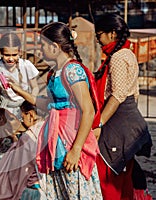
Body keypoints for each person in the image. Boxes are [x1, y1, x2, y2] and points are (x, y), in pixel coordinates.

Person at [9, 22, 102, 199]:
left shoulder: (72, 71)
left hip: (72, 142)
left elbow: (88, 111)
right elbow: (48, 104)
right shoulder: (56, 72)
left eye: (42, 45)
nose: (41, 50)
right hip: (57, 143)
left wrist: (76, 150)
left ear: (54, 46)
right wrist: (19, 91)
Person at [93, 13, 152, 200]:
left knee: (109, 178)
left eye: (99, 35)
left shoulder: (117, 57)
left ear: (112, 34)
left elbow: (118, 94)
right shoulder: (127, 53)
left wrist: (99, 123)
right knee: (124, 179)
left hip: (117, 123)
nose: (97, 40)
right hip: (127, 121)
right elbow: (134, 92)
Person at [0, 33, 40, 154]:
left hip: (24, 107)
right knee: (6, 148)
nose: (11, 58)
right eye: (7, 55)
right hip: (6, 110)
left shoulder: (26, 65)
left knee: (29, 144)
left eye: (14, 55)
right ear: (1, 52)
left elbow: (35, 87)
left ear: (20, 52)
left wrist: (31, 101)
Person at [0, 101, 47, 200]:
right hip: (48, 188)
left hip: (31, 189)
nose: (22, 121)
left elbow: (17, 170)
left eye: (22, 117)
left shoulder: (27, 137)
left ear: (31, 115)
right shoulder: (48, 128)